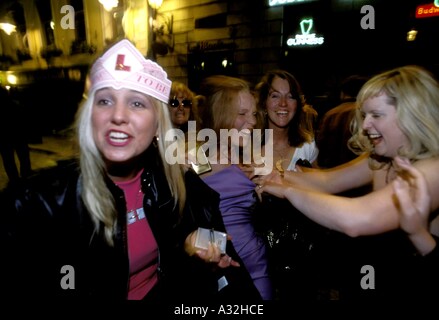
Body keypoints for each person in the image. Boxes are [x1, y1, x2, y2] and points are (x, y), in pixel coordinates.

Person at [0, 39, 244, 302]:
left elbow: (189, 234)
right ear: (89, 116)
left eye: (137, 103)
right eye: (104, 100)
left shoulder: (171, 179)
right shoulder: (35, 203)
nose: (118, 115)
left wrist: (189, 246)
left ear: (157, 127)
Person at [256, 65, 439, 300]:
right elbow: (327, 181)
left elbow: (356, 219)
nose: (365, 125)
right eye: (365, 115)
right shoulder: (381, 159)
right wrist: (273, 175)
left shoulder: (432, 169)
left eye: (376, 115)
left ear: (411, 115)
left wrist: (289, 192)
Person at [195, 75, 273, 300]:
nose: (252, 121)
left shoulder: (251, 158)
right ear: (220, 115)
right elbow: (184, 222)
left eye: (254, 113)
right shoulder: (196, 160)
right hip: (219, 270)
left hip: (257, 266)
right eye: (242, 114)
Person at [255, 69, 319, 174]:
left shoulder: (307, 146)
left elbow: (318, 186)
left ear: (297, 105)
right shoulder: (245, 146)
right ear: (264, 103)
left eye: (290, 97)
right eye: (275, 96)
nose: (283, 103)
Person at [316, 75, 369, 169]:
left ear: (343, 93)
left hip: (334, 170)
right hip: (361, 169)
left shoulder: (331, 114)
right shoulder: (366, 113)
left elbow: (321, 146)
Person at [0, 86, 32, 186]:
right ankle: (26, 177)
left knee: (8, 160)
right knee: (23, 157)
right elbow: (24, 121)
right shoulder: (16, 105)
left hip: (5, 138)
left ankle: (15, 180)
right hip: (18, 135)